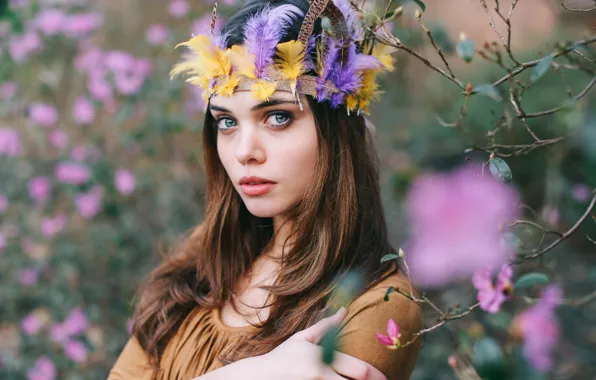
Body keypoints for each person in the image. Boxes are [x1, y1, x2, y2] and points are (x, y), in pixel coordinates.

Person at [109, 0, 423, 379]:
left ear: (337, 133)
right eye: (227, 122)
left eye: (277, 117)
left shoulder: (379, 305)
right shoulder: (203, 259)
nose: (244, 152)